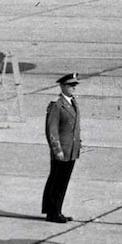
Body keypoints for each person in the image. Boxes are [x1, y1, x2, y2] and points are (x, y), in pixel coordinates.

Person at [41, 72, 81, 222]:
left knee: (62, 182)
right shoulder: (57, 105)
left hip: (71, 150)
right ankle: (52, 213)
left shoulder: (72, 102)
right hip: (62, 151)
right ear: (62, 86)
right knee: (56, 181)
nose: (73, 88)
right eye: (71, 85)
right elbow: (52, 130)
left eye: (74, 85)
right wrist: (56, 150)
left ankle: (57, 210)